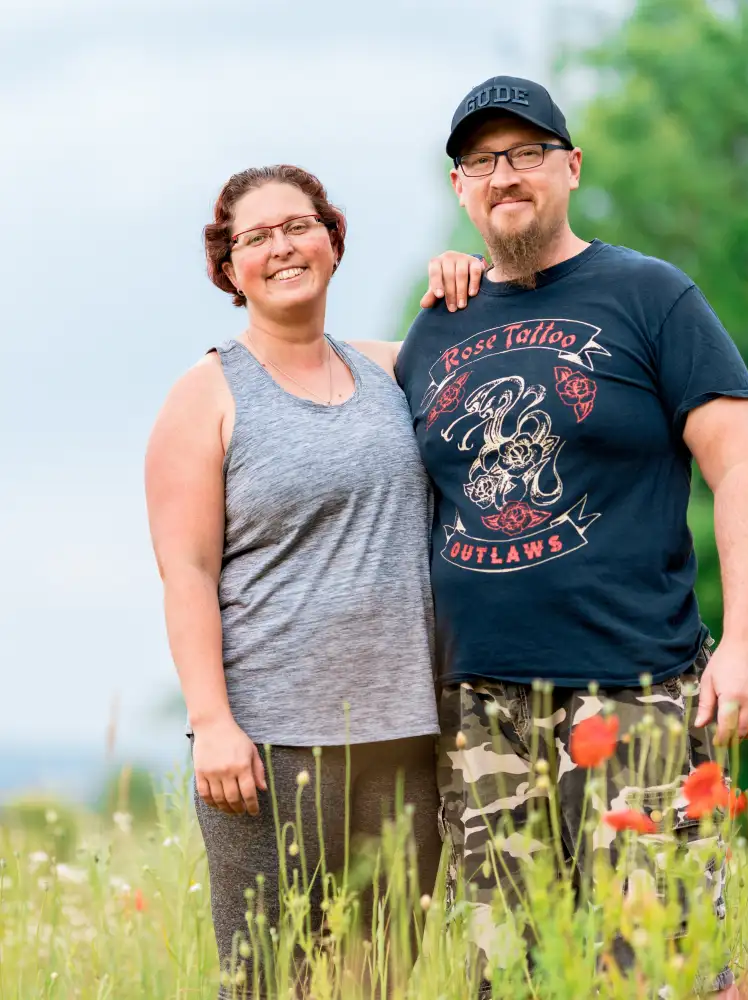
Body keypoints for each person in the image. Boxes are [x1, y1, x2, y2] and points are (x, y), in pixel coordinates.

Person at [395, 76, 748, 999]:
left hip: (635, 689)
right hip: (480, 710)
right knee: (508, 975)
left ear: (570, 167)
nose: (504, 175)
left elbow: (744, 467)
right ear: (460, 189)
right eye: (482, 161)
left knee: (658, 966)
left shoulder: (651, 296)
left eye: (525, 153)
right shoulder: (433, 331)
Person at [144, 163, 484, 997]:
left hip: (404, 737)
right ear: (228, 269)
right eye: (253, 238)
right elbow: (185, 573)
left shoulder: (390, 372)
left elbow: (490, 343)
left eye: (296, 225)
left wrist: (466, 270)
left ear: (332, 237)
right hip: (271, 746)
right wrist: (212, 722)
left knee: (377, 978)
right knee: (269, 979)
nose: (281, 247)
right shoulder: (206, 395)